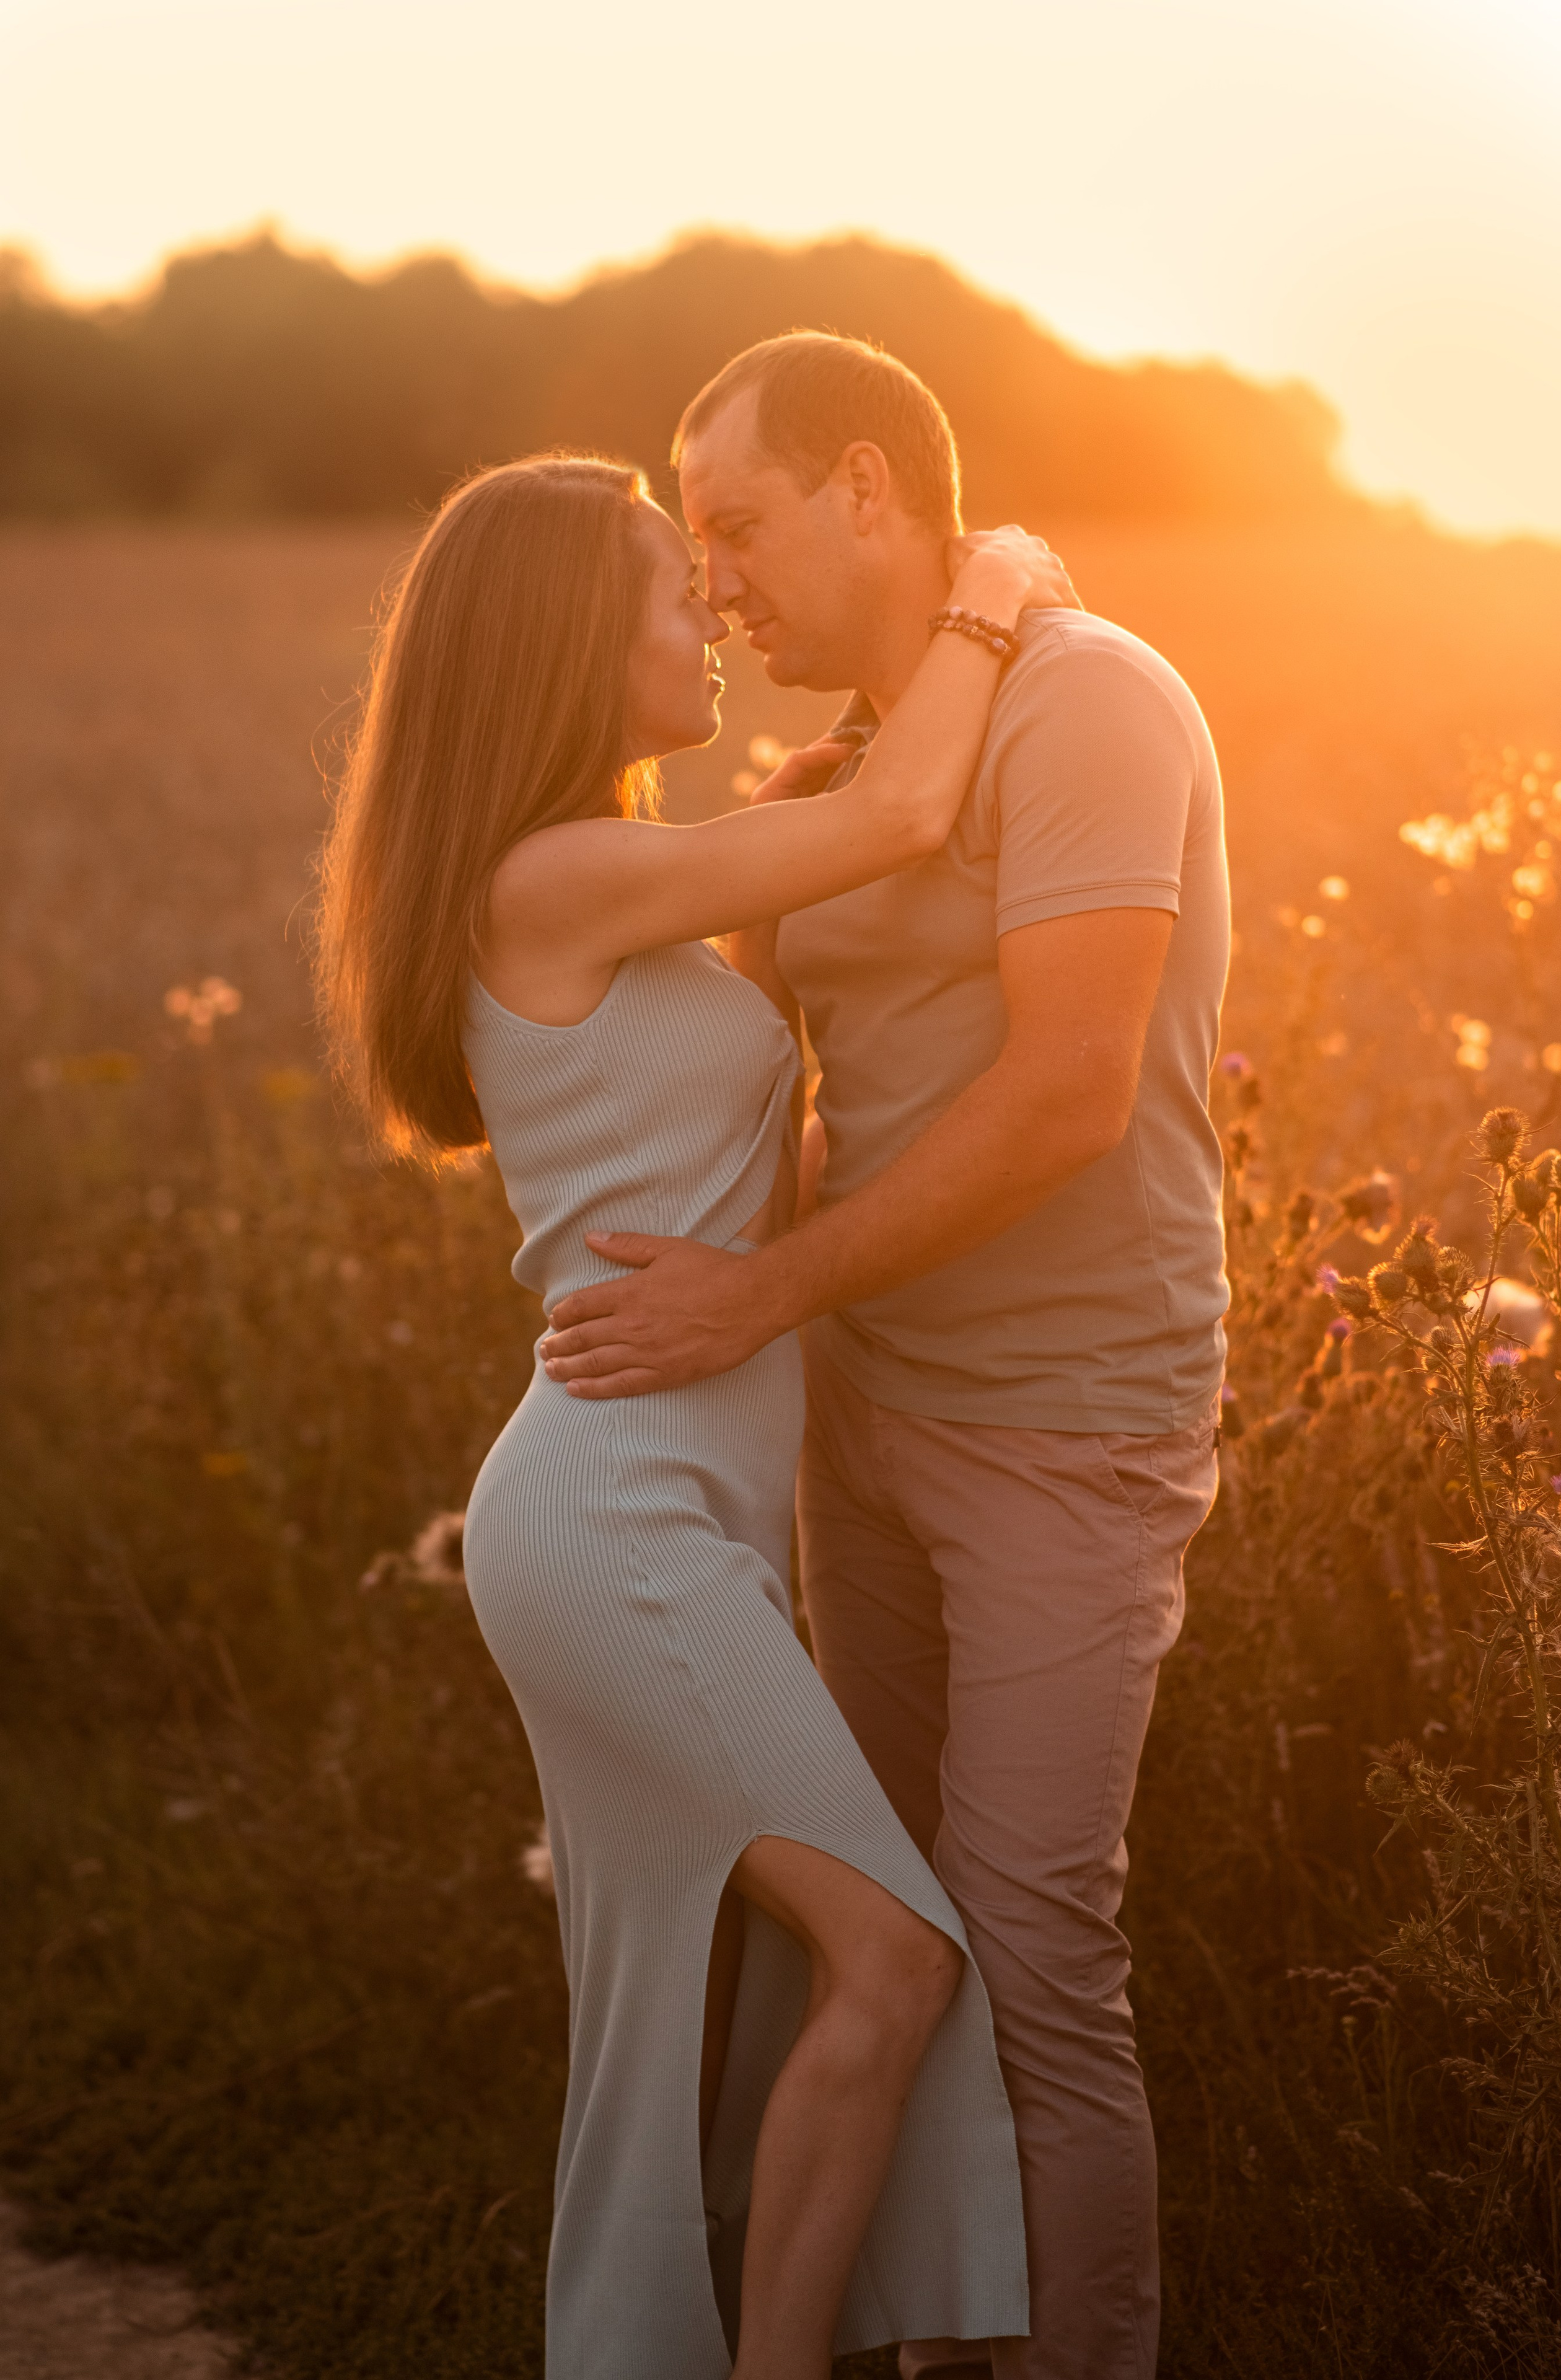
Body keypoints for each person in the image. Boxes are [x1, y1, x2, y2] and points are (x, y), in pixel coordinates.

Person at [315, 452, 1076, 2380]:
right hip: (617, 1523)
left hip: (664, 1511)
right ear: (578, 637)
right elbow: (916, 809)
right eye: (678, 586)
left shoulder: (606, 891)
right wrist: (993, 590)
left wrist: (770, 848)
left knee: (734, 2002)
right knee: (894, 1960)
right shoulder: (559, 875)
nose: (717, 616)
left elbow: (716, 1125)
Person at [538, 337, 1231, 2380]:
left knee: (1032, 1951)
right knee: (883, 1918)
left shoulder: (1089, 699)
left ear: (867, 486)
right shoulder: (866, 749)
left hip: (1065, 1427)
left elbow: (1068, 1098)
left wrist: (759, 1296)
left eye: (736, 524)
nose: (719, 577)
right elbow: (844, 1093)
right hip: (872, 1411)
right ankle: (924, 2344)